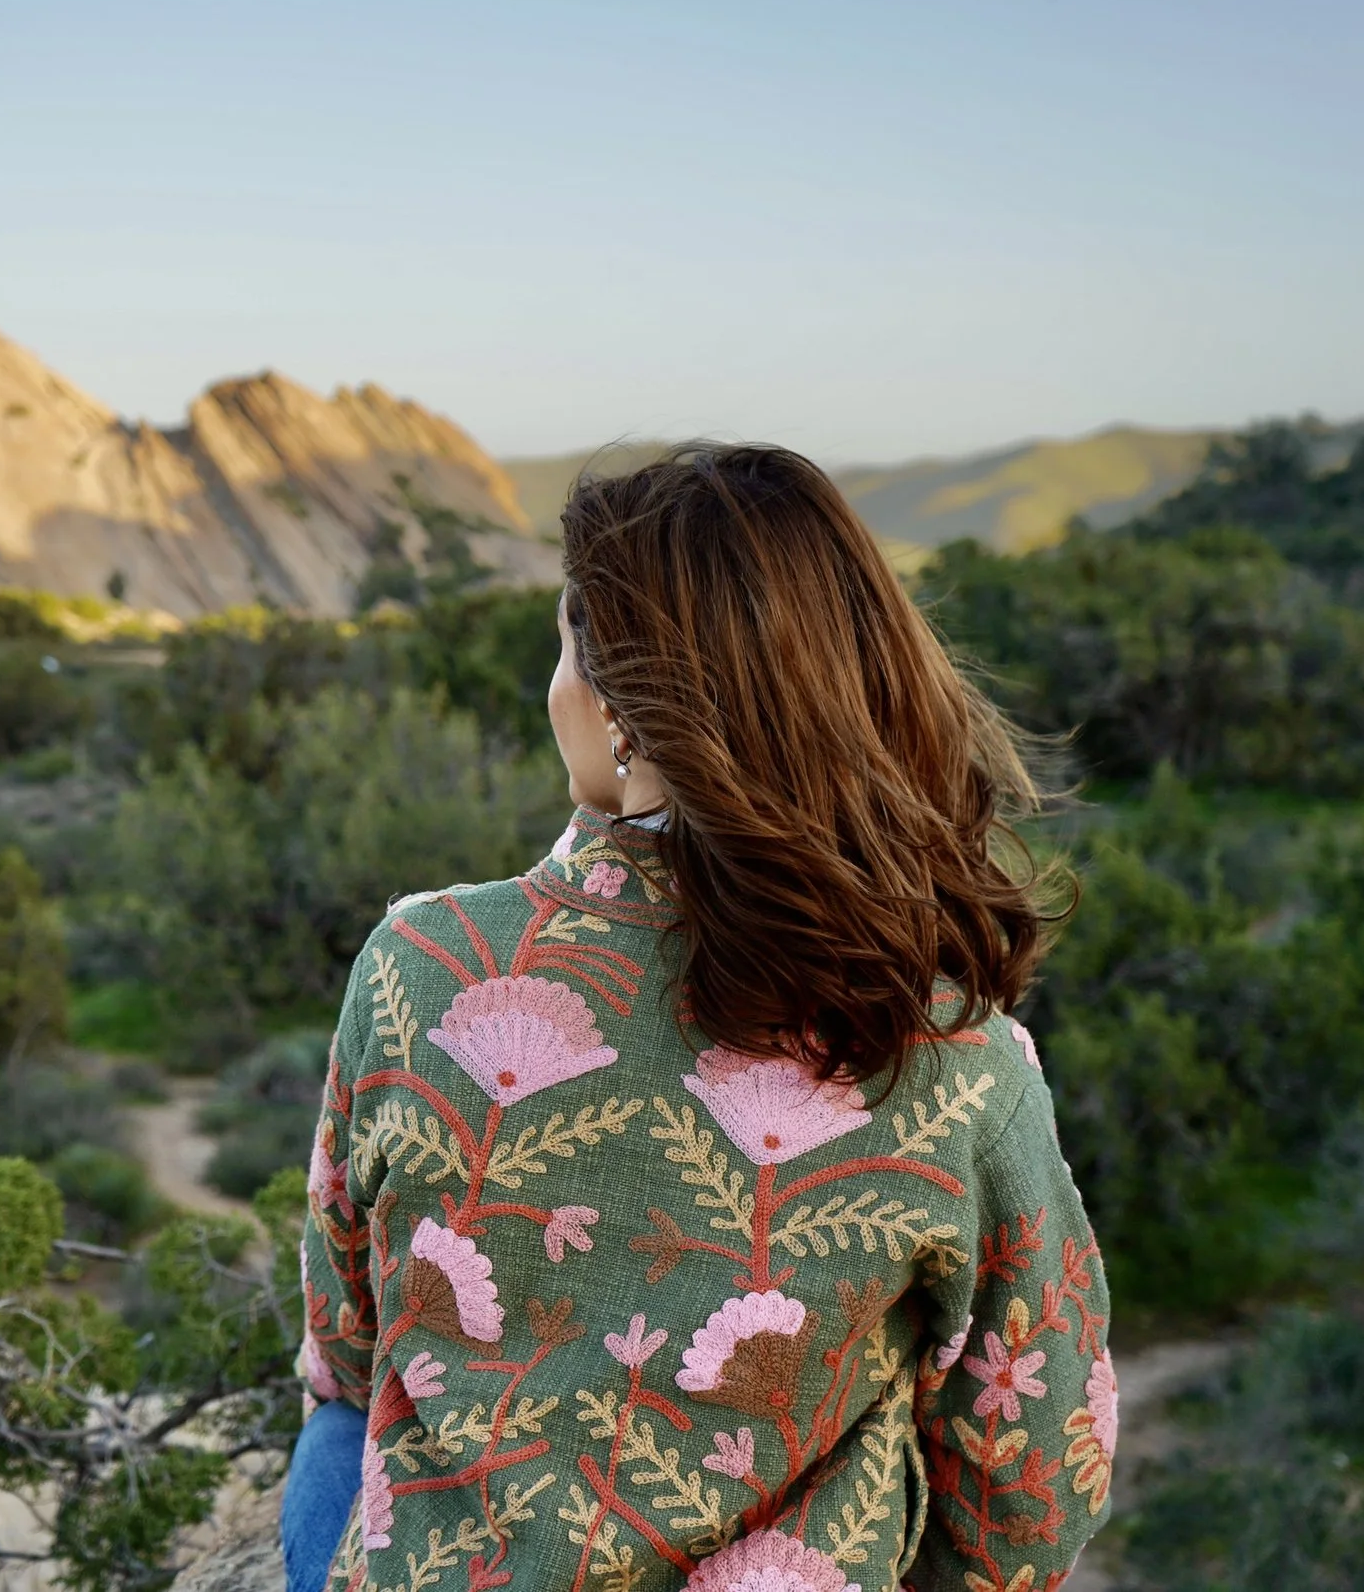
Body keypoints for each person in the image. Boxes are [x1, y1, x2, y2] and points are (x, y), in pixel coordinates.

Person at [283, 445, 1112, 1592]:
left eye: (562, 649)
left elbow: (345, 1332)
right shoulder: (955, 1050)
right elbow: (1032, 1482)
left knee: (336, 1418)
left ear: (620, 701)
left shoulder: (421, 959)